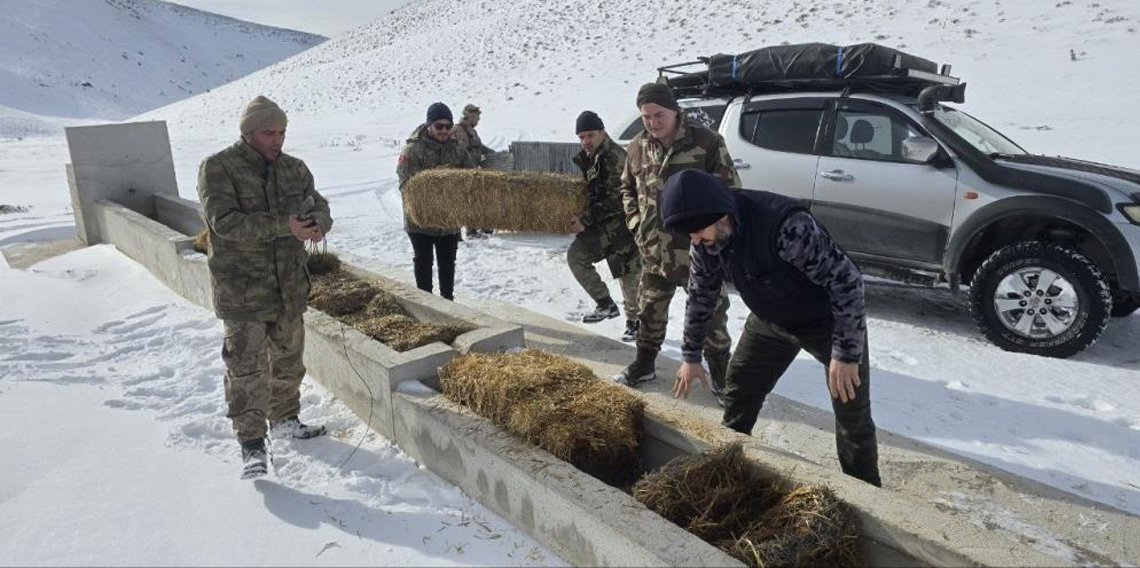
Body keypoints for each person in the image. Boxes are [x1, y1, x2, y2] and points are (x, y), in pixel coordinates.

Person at [663, 169, 881, 487]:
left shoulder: (786, 226)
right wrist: (691, 355)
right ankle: (728, 469)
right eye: (689, 236)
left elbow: (847, 282)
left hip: (826, 323)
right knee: (740, 386)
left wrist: (846, 354)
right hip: (771, 319)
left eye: (697, 232)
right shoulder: (706, 241)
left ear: (722, 215)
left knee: (851, 412)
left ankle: (868, 496)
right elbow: (701, 296)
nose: (694, 241)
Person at [196, 95, 333, 480]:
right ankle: (252, 443)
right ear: (247, 133)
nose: (277, 140)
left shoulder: (294, 169)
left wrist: (318, 223)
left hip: (288, 287)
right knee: (246, 370)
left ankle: (286, 418)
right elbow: (225, 223)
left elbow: (319, 204)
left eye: (282, 132)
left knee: (288, 361)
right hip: (243, 292)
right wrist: (284, 225)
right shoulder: (219, 168)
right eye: (268, 132)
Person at [614, 82, 739, 397]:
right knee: (649, 311)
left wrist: (716, 238)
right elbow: (627, 187)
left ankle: (722, 376)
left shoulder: (707, 143)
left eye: (659, 115)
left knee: (711, 314)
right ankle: (644, 364)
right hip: (654, 251)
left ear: (674, 110)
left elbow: (730, 193)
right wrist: (636, 223)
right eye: (646, 117)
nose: (653, 123)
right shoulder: (637, 147)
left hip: (698, 250)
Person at [568, 111, 642, 341]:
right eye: (581, 137)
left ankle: (635, 322)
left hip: (623, 229)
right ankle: (605, 303)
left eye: (589, 135)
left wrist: (585, 219)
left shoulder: (615, 157)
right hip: (602, 228)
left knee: (629, 277)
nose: (585, 142)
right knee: (576, 256)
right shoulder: (592, 156)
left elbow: (619, 198)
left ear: (602, 132)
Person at [397, 102, 475, 300]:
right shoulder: (412, 150)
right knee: (423, 262)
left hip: (449, 221)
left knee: (447, 263)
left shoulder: (457, 149)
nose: (444, 131)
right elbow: (406, 184)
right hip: (419, 220)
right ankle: (427, 304)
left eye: (448, 126)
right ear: (429, 125)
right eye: (439, 126)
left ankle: (448, 303)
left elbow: (471, 177)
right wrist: (439, 180)